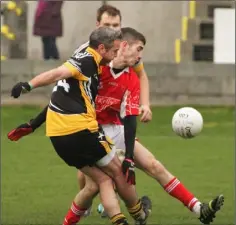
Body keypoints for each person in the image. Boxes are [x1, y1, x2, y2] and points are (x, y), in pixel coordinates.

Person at [8, 25, 224, 225]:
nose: (140, 58)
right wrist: (34, 123)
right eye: (139, 50)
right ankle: (136, 215)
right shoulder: (95, 65)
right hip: (90, 129)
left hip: (113, 128)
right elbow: (64, 97)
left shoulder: (131, 80)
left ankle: (198, 209)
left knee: (153, 166)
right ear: (123, 46)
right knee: (95, 185)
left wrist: (129, 156)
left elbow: (130, 121)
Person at [10, 27, 149, 225]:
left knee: (100, 181)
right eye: (114, 50)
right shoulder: (88, 60)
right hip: (81, 130)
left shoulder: (82, 60)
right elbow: (56, 73)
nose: (116, 54)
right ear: (101, 48)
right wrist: (28, 85)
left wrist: (34, 124)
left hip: (58, 137)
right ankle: (139, 215)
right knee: (118, 172)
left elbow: (57, 97)